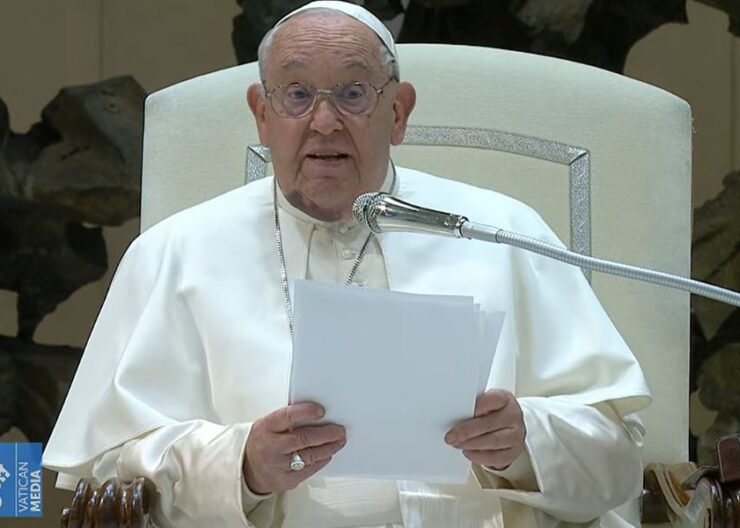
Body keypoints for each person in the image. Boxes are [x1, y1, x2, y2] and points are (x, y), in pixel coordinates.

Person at [43, 2, 651, 527]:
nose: (325, 121)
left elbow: (618, 459)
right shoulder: (177, 252)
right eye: (298, 94)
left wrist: (523, 445)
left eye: (354, 93)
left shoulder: (502, 232)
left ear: (399, 112)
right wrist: (241, 466)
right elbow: (105, 472)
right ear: (261, 113)